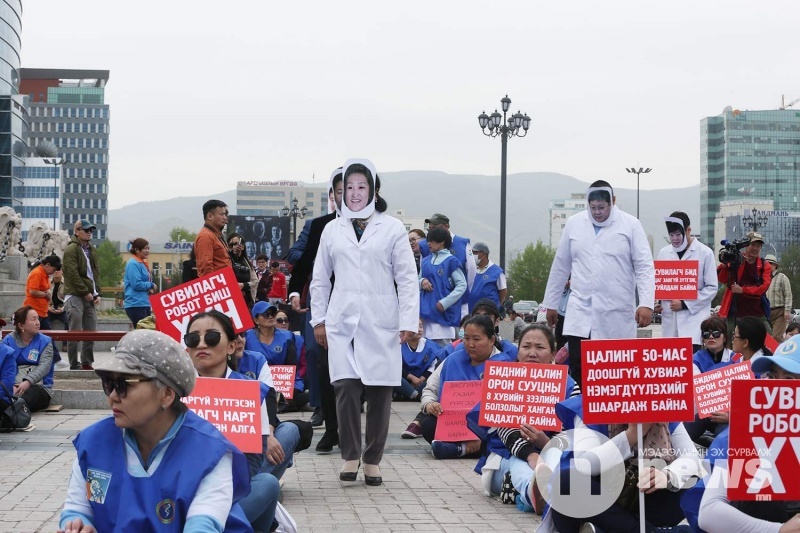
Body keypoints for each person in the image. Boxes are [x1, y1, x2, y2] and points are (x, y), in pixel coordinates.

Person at [58, 329, 255, 533]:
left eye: (124, 384)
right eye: (109, 384)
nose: (114, 396)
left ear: (167, 394)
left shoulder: (210, 452)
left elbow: (202, 526)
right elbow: (77, 509)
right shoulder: (93, 443)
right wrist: (78, 523)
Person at [310, 159, 418, 485]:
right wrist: (319, 320)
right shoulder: (333, 229)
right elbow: (319, 280)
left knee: (381, 390)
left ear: (373, 190)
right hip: (342, 321)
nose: (355, 194)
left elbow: (407, 278)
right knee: (344, 386)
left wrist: (408, 319)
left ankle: (372, 459)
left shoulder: (392, 228)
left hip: (381, 319)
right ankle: (350, 454)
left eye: (362, 187)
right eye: (349, 188)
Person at [543, 181, 655, 387]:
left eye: (602, 207)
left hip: (616, 313)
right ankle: (580, 417)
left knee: (615, 374)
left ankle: (615, 418)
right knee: (579, 371)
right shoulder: (574, 224)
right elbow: (560, 265)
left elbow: (644, 266)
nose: (597, 212)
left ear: (613, 201)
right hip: (580, 312)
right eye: (592, 207)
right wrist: (550, 303)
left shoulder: (630, 225)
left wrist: (646, 303)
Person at [538, 395, 702, 533]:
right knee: (567, 481)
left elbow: (691, 458)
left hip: (643, 500)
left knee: (694, 482)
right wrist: (631, 435)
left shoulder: (664, 404)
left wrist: (666, 476)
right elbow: (585, 464)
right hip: (598, 501)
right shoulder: (589, 404)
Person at [469, 324, 579, 515]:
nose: (532, 353)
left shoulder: (570, 387)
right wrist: (530, 454)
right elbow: (504, 430)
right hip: (507, 458)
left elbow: (574, 434)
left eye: (540, 347)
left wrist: (545, 444)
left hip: (553, 457)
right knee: (518, 462)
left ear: (553, 353)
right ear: (518, 352)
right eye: (526, 347)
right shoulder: (504, 380)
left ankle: (543, 494)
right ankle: (534, 494)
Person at [186, 311, 299, 485]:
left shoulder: (250, 390)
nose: (201, 344)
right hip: (188, 485)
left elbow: (253, 460)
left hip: (238, 485)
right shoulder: (175, 391)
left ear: (232, 346)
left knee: (266, 485)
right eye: (193, 339)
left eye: (211, 337)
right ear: (187, 349)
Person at [698, 339, 800, 532]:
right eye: (771, 377)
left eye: (789, 380)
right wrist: (779, 530)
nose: (776, 388)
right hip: (768, 521)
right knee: (760, 496)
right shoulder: (740, 435)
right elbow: (709, 512)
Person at [286, 168, 342, 449]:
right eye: (340, 192)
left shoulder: (378, 226)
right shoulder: (319, 225)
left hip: (363, 309)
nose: (348, 197)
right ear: (332, 197)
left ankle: (349, 423)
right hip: (322, 304)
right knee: (320, 360)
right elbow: (296, 254)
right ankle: (327, 419)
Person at [418, 315, 512, 459]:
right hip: (454, 426)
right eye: (466, 338)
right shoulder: (452, 360)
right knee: (428, 425)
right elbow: (430, 389)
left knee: (504, 434)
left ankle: (461, 449)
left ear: (491, 340)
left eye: (476, 339)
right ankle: (470, 448)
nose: (470, 344)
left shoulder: (504, 365)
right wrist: (430, 404)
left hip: (487, 428)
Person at [655, 212, 718, 353]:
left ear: (688, 230)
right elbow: (661, 284)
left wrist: (684, 304)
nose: (675, 239)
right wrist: (659, 303)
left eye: (678, 234)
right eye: (671, 235)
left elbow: (712, 288)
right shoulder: (664, 253)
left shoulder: (705, 253)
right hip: (670, 323)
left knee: (692, 366)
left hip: (693, 323)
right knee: (671, 366)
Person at [684, 317, 743, 444]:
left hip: (727, 416)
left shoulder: (738, 359)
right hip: (701, 414)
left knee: (726, 440)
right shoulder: (694, 360)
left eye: (716, 333)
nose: (711, 337)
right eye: (706, 334)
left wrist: (731, 416)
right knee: (682, 437)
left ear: (725, 337)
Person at [245, 302, 307, 412]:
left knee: (296, 395)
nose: (270, 317)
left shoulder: (287, 336)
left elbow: (292, 365)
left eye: (272, 313)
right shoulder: (246, 337)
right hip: (256, 381)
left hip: (282, 383)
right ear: (256, 320)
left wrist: (285, 385)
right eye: (265, 314)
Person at [717, 231, 772, 346]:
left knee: (768, 342)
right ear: (746, 245)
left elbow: (763, 287)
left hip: (756, 312)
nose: (755, 248)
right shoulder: (736, 259)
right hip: (734, 312)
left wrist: (743, 290)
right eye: (753, 245)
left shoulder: (764, 265)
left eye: (758, 245)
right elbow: (722, 279)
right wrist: (726, 265)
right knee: (731, 345)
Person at [419, 213, 476, 318]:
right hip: (431, 303)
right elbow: (422, 272)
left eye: (434, 228)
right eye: (429, 229)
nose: (431, 231)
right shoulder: (424, 245)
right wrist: (422, 281)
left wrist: (457, 292)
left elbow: (471, 271)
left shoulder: (462, 243)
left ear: (446, 227)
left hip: (459, 301)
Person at [62, 219, 101, 371]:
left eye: (91, 230)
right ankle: (74, 363)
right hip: (74, 295)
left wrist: (98, 292)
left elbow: (95, 274)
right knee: (75, 332)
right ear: (77, 231)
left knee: (91, 330)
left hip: (90, 295)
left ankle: (87, 362)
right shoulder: (71, 249)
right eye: (86, 230)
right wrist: (85, 292)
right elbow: (72, 274)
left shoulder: (92, 249)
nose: (89, 232)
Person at [419, 226, 467, 346]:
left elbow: (462, 285)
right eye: (428, 240)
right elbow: (416, 279)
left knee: (442, 351)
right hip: (425, 313)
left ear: (441, 242)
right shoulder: (425, 261)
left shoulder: (452, 261)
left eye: (432, 241)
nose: (428, 243)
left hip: (443, 316)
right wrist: (422, 281)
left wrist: (445, 302)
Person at [2, 306, 55, 412]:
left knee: (29, 396)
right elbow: (4, 366)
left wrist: (28, 382)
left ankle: (13, 412)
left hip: (39, 387)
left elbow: (44, 367)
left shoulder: (46, 341)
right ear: (21, 325)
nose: (37, 322)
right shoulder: (8, 340)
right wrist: (10, 385)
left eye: (38, 318)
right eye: (33, 319)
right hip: (13, 384)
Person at [395, 319, 438, 401]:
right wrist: (411, 378)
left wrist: (422, 378)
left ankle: (409, 395)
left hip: (421, 382)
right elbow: (395, 366)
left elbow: (433, 365)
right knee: (394, 377)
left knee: (433, 380)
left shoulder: (430, 345)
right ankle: (416, 396)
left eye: (421, 326)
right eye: (415, 326)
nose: (419, 329)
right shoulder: (399, 344)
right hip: (405, 380)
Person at [123, 238, 156, 329]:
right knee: (143, 332)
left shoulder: (142, 263)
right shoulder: (133, 264)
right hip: (135, 304)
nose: (147, 251)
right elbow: (136, 284)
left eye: (148, 248)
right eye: (145, 248)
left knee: (146, 332)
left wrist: (149, 288)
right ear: (137, 250)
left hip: (144, 303)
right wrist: (151, 285)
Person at [23, 255, 62, 330]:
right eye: (53, 270)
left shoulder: (44, 274)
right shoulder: (37, 273)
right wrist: (46, 294)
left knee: (46, 336)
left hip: (42, 311)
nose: (53, 272)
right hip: (34, 310)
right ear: (47, 265)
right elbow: (33, 291)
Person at [194, 199, 231, 277]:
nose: (225, 218)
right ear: (210, 216)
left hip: (225, 283)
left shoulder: (216, 235)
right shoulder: (206, 236)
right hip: (218, 285)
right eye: (222, 214)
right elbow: (206, 268)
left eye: (225, 214)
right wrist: (215, 287)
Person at [469, 242, 507, 313]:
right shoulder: (471, 269)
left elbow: (503, 291)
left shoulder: (497, 271)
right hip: (472, 311)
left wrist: (497, 306)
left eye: (475, 252)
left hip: (488, 313)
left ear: (483, 254)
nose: (472, 255)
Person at [765, 253, 792, 342]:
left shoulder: (782, 277)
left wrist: (787, 310)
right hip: (766, 312)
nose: (768, 265)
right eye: (766, 263)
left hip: (779, 312)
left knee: (777, 337)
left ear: (775, 265)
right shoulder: (763, 279)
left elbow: (788, 295)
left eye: (770, 263)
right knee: (767, 338)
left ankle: (780, 354)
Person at [227, 232, 257, 309]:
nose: (234, 246)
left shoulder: (247, 263)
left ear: (243, 246)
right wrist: (232, 254)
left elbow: (255, 281)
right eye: (231, 245)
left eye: (237, 244)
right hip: (230, 300)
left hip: (245, 301)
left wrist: (243, 285)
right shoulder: (225, 261)